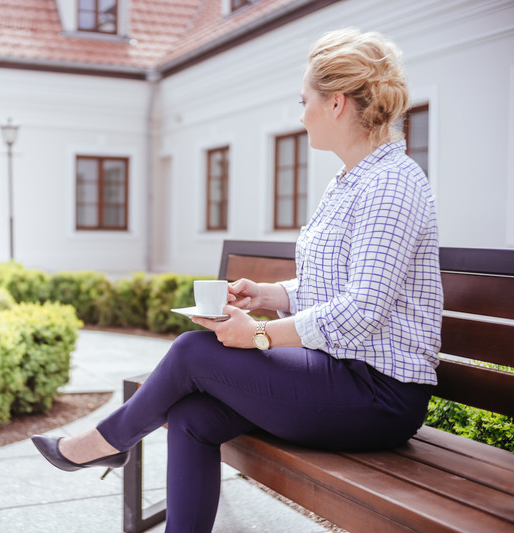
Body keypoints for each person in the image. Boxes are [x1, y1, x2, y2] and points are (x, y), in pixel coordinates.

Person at [31, 28, 443, 532]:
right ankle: (117, 452)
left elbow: (363, 308)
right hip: (338, 374)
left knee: (191, 352)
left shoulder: (391, 184)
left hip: (379, 396)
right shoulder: (350, 181)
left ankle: (105, 444)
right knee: (192, 419)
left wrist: (261, 334)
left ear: (336, 104)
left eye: (304, 101)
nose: (301, 113)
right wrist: (268, 295)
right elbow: (333, 288)